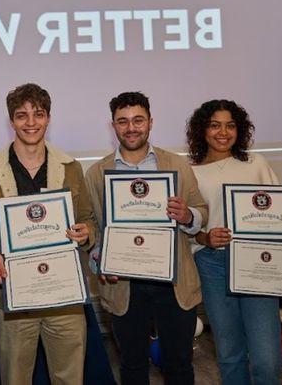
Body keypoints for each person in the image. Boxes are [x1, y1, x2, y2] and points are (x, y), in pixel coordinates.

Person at [0, 83, 98, 385]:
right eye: (21, 115)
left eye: (38, 114)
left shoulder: (71, 168)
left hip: (64, 298)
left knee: (70, 379)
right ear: (11, 121)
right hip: (12, 300)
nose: (30, 123)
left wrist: (86, 232)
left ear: (48, 118)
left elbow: (88, 220)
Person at [186, 99, 282, 385]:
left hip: (260, 261)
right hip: (213, 263)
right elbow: (188, 226)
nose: (223, 132)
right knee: (230, 352)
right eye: (215, 125)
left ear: (240, 129)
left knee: (267, 357)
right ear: (202, 130)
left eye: (230, 125)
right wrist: (205, 237)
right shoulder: (190, 172)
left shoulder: (256, 163)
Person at [84, 91, 207, 385]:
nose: (131, 128)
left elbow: (201, 210)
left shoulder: (176, 164)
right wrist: (99, 256)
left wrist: (187, 215)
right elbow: (93, 228)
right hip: (124, 286)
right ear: (113, 126)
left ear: (150, 122)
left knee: (179, 365)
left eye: (138, 120)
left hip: (174, 282)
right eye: (123, 121)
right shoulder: (97, 172)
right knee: (132, 366)